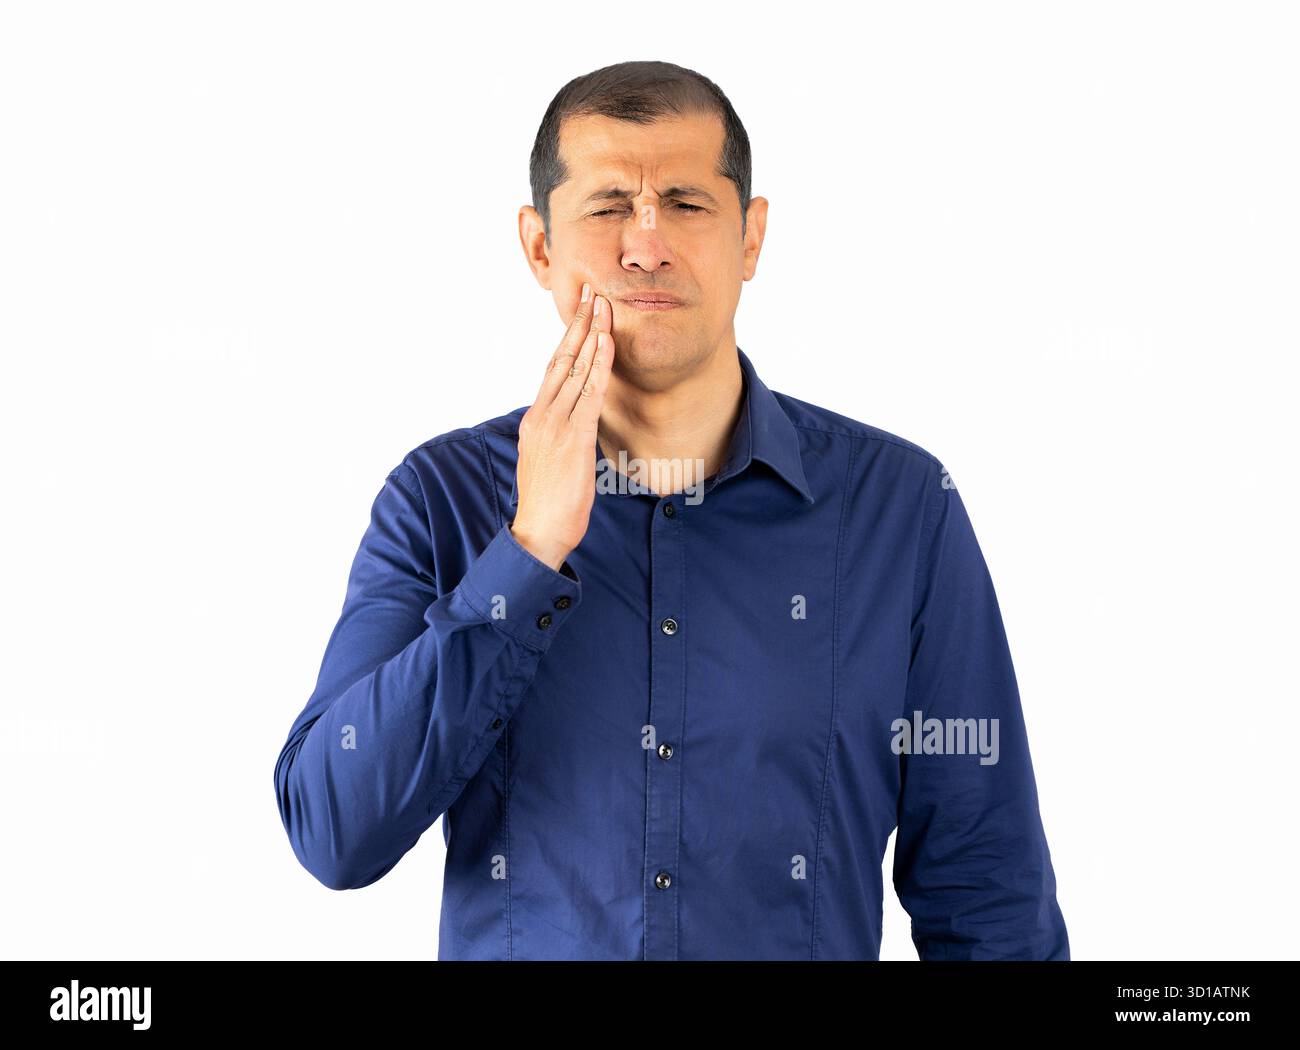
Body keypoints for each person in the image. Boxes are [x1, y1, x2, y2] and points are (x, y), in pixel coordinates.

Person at [272, 60, 1070, 961]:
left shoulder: (901, 515)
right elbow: (334, 830)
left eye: (686, 204)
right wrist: (528, 552)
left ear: (751, 237)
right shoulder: (439, 501)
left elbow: (989, 897)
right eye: (609, 206)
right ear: (540, 247)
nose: (646, 245)